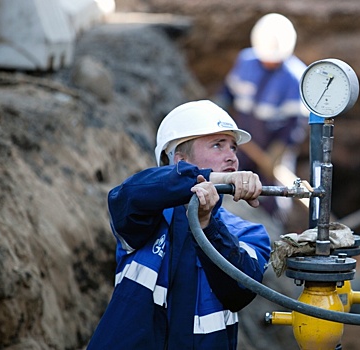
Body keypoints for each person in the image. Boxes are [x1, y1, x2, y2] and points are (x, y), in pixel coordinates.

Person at [87, 100, 271, 349]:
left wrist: (207, 226)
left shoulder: (249, 234)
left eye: (234, 148)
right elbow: (126, 196)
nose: (232, 157)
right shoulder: (149, 218)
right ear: (179, 161)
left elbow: (238, 292)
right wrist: (208, 178)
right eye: (218, 145)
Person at [215, 13, 308, 223]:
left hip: (272, 147)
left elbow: (296, 122)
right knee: (233, 184)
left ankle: (273, 232)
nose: (269, 62)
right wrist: (218, 104)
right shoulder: (246, 61)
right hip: (242, 142)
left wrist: (281, 149)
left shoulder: (295, 77)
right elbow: (229, 91)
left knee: (274, 194)